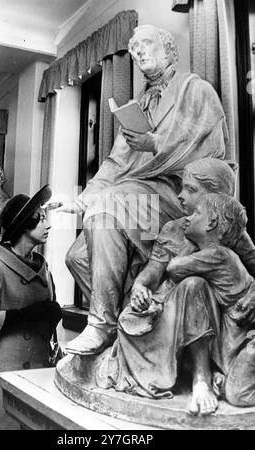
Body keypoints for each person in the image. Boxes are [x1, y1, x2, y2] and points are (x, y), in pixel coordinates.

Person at [57, 25, 228, 356]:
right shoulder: (138, 105)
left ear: (168, 50)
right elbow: (115, 163)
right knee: (76, 256)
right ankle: (134, 326)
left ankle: (101, 325)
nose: (137, 52)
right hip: (140, 202)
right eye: (133, 48)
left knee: (113, 203)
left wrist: (155, 144)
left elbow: (211, 154)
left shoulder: (196, 90)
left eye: (145, 44)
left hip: (179, 198)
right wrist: (79, 202)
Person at [95, 158, 255, 416]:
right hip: (168, 314)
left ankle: (201, 379)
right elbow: (152, 273)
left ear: (215, 199)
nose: (180, 196)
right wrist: (139, 288)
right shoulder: (173, 229)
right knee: (144, 311)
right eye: (182, 187)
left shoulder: (232, 232)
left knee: (194, 285)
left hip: (216, 316)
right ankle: (199, 371)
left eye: (191, 190)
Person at [0, 185, 62, 430]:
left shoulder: (43, 267)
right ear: (23, 226)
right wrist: (24, 315)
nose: (48, 225)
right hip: (3, 372)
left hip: (35, 374)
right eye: (40, 219)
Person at [167, 193, 255, 410]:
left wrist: (188, 242)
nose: (187, 218)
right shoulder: (218, 254)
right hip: (231, 327)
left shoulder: (217, 254)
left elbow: (173, 268)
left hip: (244, 331)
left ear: (212, 222)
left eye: (197, 213)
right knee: (234, 390)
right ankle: (216, 375)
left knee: (238, 396)